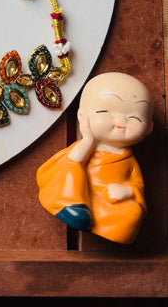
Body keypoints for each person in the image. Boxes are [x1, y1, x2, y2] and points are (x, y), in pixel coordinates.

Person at [36, 72, 153, 244]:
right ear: (82, 116)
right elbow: (74, 160)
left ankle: (106, 226)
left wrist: (127, 191)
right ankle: (70, 205)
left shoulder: (129, 161)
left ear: (149, 128)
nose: (121, 120)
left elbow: (138, 185)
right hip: (81, 194)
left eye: (134, 117)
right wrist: (88, 140)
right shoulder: (87, 147)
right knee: (70, 165)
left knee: (133, 211)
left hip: (110, 199)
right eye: (105, 111)